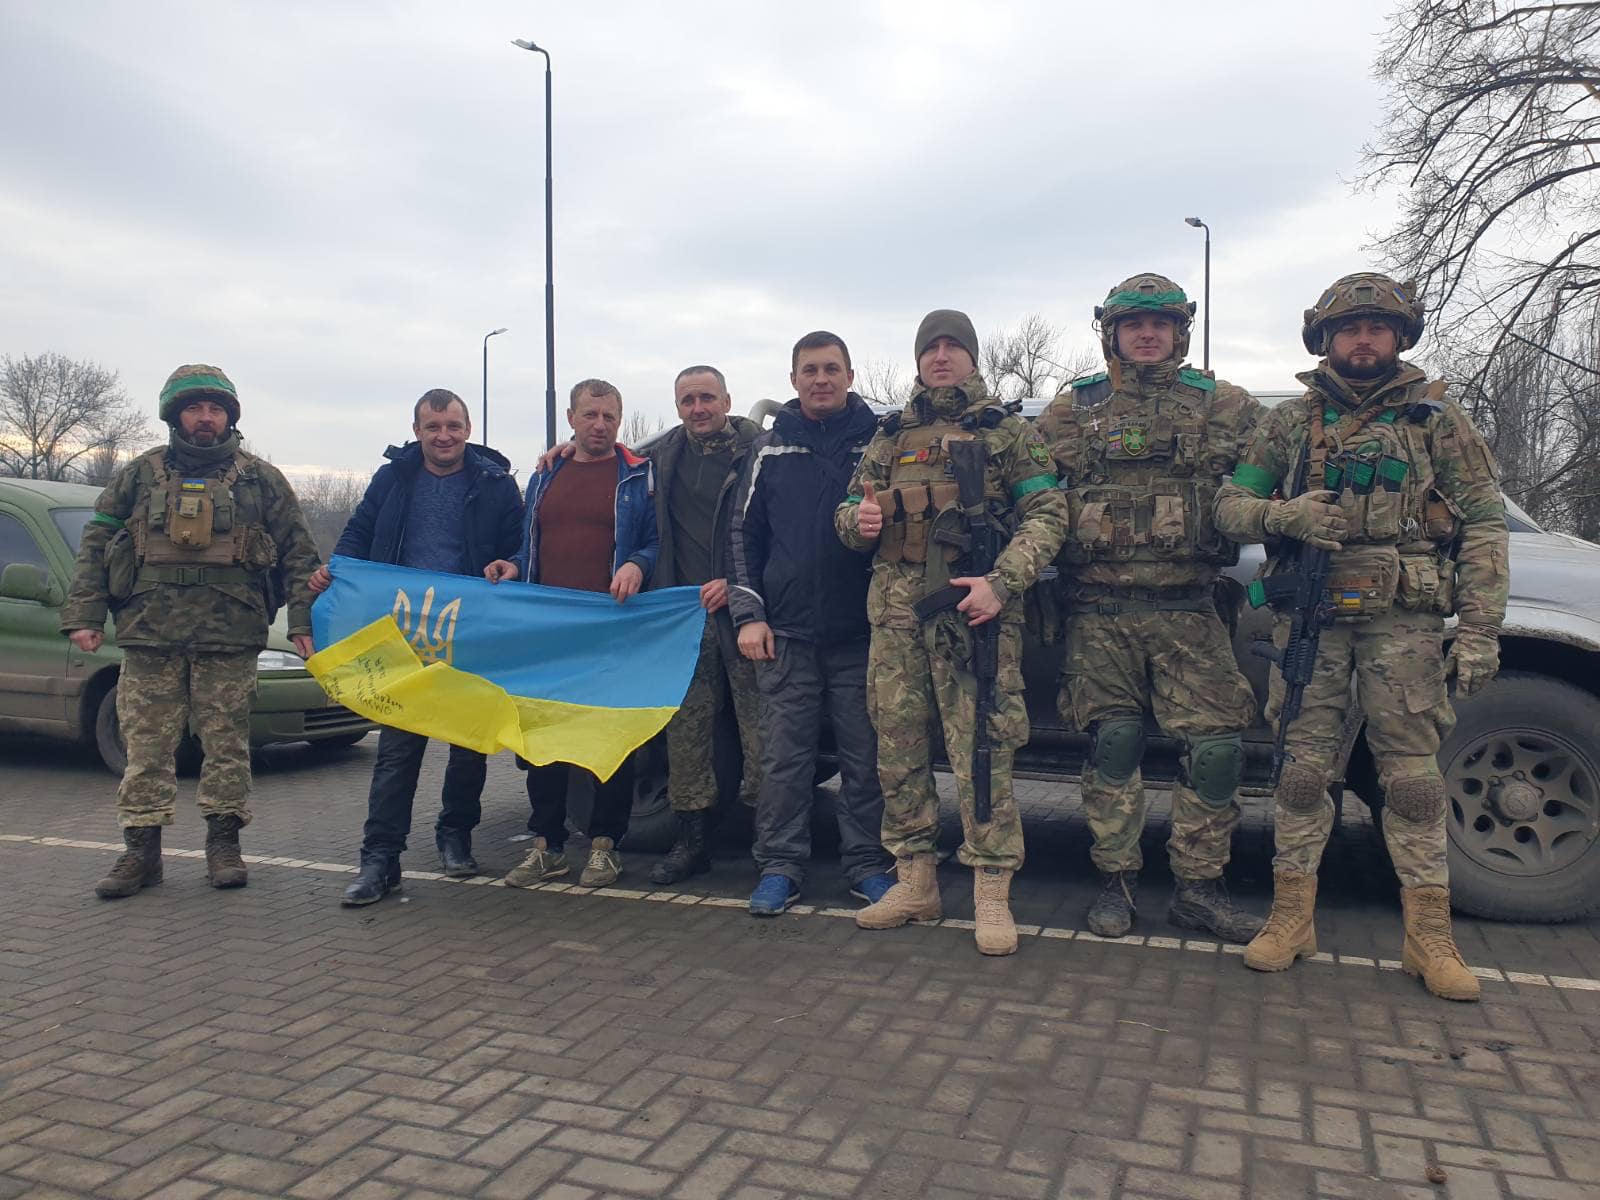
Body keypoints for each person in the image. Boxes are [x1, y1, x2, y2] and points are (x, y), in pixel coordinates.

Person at [1214, 272, 1508, 1001]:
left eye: (1378, 327)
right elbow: (1230, 507)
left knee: (1411, 779)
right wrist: (1284, 519)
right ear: (1326, 341)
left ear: (1399, 336)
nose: (1364, 339)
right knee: (1302, 772)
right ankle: (1291, 918)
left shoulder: (1436, 420)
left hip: (1403, 626)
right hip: (1311, 622)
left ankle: (1429, 938)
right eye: (1350, 329)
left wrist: (1479, 631)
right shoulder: (1289, 423)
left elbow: (1484, 526)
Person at [1035, 274, 1266, 943]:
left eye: (1160, 324)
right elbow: (1024, 489)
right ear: (1112, 333)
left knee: (1219, 749)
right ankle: (1116, 880)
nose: (1146, 334)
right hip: (1099, 612)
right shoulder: (1072, 410)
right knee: (1113, 745)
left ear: (1179, 333)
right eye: (1133, 324)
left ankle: (1200, 888)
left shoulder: (1225, 405)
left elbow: (1282, 467)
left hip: (1190, 610)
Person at [836, 311, 1068, 955]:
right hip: (896, 614)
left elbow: (1048, 514)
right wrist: (860, 521)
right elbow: (848, 516)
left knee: (982, 750)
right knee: (898, 749)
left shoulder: (1006, 432)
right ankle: (915, 882)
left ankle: (990, 893)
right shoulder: (889, 436)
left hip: (973, 612)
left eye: (953, 347)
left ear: (971, 357)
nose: (941, 357)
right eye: (931, 347)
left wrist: (1003, 580)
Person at [61, 364, 320, 899]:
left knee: (226, 745)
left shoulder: (261, 479)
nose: (206, 419)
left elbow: (299, 555)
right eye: (195, 408)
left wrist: (301, 623)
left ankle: (224, 845)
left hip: (230, 636)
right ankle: (141, 852)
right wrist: (85, 615)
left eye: (216, 409)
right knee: (146, 746)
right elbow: (95, 544)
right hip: (150, 633)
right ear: (175, 414)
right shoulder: (138, 475)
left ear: (230, 416)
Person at [317, 389, 525, 906]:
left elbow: (523, 543)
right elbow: (358, 533)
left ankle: (455, 836)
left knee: (469, 746)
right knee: (396, 752)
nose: (444, 436)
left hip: (469, 632)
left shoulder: (497, 485)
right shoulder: (393, 479)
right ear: (417, 432)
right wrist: (336, 572)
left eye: (453, 426)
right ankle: (379, 860)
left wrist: (513, 564)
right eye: (433, 427)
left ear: (468, 428)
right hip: (403, 636)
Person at [728, 332, 894, 915]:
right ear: (793, 379)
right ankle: (779, 865)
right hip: (787, 636)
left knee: (864, 757)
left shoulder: (881, 445)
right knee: (785, 759)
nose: (820, 379)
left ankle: (869, 864)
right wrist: (749, 614)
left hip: (865, 634)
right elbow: (742, 538)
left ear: (850, 375)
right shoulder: (770, 450)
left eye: (831, 369)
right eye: (809, 370)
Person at [503, 379, 659, 890]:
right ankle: (546, 847)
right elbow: (532, 546)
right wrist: (513, 566)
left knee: (606, 744)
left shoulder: (638, 475)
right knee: (543, 744)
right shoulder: (545, 476)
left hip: (610, 633)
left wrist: (637, 563)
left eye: (609, 416)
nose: (600, 424)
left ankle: (604, 847)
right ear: (571, 417)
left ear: (619, 420)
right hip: (548, 636)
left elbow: (656, 541)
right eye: (590, 414)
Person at [646, 366, 765, 885]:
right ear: (677, 407)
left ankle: (771, 844)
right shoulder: (661, 456)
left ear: (727, 400)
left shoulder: (760, 451)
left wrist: (734, 580)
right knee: (686, 735)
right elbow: (600, 462)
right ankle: (691, 841)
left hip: (745, 615)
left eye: (707, 398)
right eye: (688, 400)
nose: (699, 408)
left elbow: (776, 530)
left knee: (761, 732)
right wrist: (557, 452)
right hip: (685, 619)